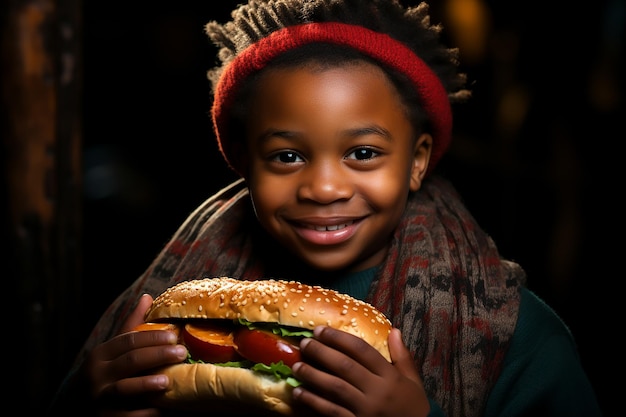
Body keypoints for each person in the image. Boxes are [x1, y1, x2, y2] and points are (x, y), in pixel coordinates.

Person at [48, 1, 603, 416]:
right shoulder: (171, 302)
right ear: (244, 161)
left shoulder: (519, 338)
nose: (324, 188)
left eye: (363, 153)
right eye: (287, 155)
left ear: (417, 160)